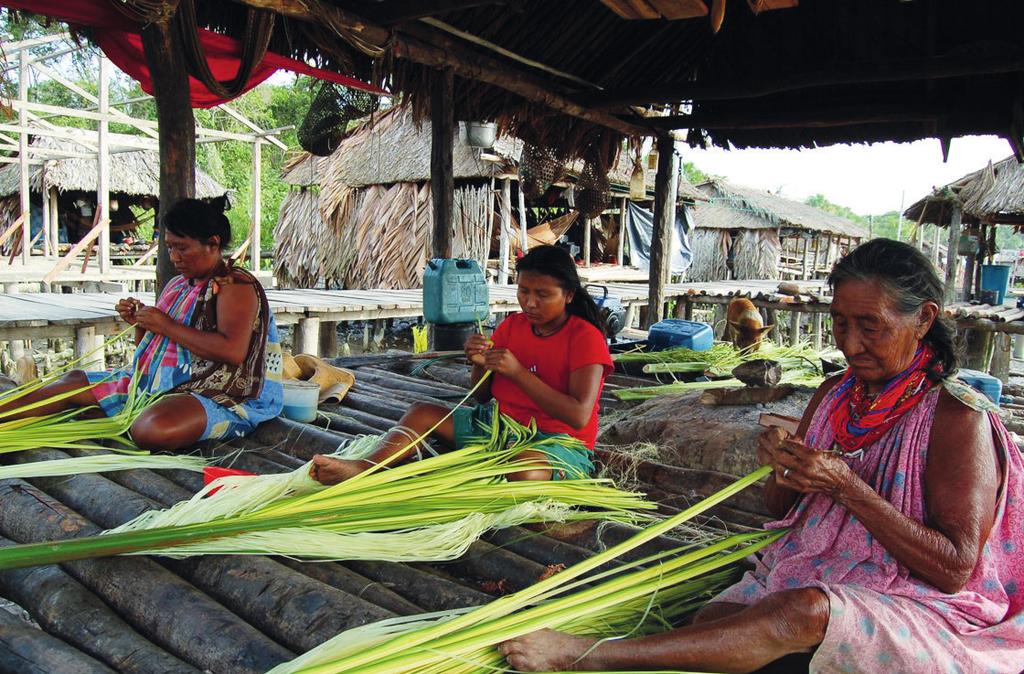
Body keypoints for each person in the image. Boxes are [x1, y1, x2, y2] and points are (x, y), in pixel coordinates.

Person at [499, 239, 1024, 673]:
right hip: (820, 568)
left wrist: (847, 487)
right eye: (840, 323)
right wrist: (785, 470)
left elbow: (955, 568)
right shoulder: (835, 395)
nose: (851, 344)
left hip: (927, 605)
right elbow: (781, 512)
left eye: (871, 326)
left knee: (803, 612)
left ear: (924, 319)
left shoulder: (957, 419)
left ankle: (588, 655)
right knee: (712, 623)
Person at [311, 245, 613, 484]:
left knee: (524, 469)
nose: (530, 303)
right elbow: (480, 396)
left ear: (569, 295)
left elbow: (578, 415)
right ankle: (364, 467)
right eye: (524, 291)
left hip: (557, 443)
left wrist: (518, 373)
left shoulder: (585, 339)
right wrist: (480, 364)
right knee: (422, 412)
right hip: (499, 429)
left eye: (543, 295)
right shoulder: (513, 327)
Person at [0, 198, 284, 452]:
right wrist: (141, 323)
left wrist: (165, 325)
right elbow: (154, 353)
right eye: (170, 247)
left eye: (182, 248)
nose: (174, 257)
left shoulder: (234, 284)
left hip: (219, 394)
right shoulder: (179, 284)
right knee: (72, 382)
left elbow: (233, 351)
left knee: (151, 429)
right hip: (160, 385)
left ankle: (114, 414)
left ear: (213, 243)